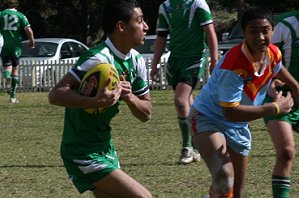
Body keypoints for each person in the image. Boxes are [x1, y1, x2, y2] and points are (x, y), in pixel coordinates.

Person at [187, 6, 299, 198]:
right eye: (253, 31)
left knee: (237, 192)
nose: (260, 37)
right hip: (208, 117)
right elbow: (229, 112)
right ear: (244, 33)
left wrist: (293, 87)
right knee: (224, 176)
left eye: (265, 31)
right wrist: (274, 107)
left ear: (273, 30)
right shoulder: (235, 65)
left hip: (238, 125)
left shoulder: (273, 53)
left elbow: (278, 69)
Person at [48, 0, 153, 197]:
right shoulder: (98, 59)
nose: (146, 27)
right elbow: (55, 94)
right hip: (80, 150)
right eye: (139, 21)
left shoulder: (137, 61)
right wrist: (94, 102)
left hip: (105, 147)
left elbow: (146, 113)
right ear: (121, 27)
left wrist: (130, 97)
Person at [150, 0, 218, 164]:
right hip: (175, 61)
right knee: (188, 102)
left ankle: (188, 146)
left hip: (193, 59)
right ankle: (199, 142)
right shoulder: (165, 6)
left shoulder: (198, 4)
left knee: (180, 101)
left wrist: (214, 58)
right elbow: (161, 36)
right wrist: (155, 62)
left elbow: (209, 31)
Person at [263, 8, 299, 198]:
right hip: (279, 97)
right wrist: (269, 83)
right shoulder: (285, 24)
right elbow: (263, 58)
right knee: (286, 152)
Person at [0, 0, 35, 103]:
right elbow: (28, 29)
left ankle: (6, 77)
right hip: (16, 45)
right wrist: (32, 40)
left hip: (4, 44)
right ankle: (13, 97)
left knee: (7, 66)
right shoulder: (20, 15)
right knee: (15, 68)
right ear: (16, 6)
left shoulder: (1, 14)